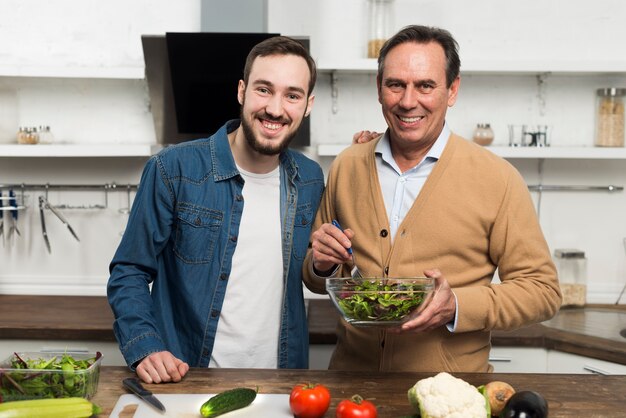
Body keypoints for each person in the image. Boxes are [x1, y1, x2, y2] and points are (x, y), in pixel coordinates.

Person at [302, 25, 561, 373]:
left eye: (425, 85)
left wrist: (456, 304)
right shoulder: (347, 164)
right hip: (352, 387)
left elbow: (542, 291)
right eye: (396, 84)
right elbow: (317, 275)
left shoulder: (497, 179)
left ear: (452, 90)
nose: (408, 101)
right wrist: (322, 263)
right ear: (379, 88)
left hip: (451, 394)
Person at [108, 36, 324, 383]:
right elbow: (129, 270)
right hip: (187, 378)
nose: (275, 108)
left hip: (281, 382)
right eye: (264, 90)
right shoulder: (173, 169)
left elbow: (317, 271)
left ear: (307, 104)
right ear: (242, 91)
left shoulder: (310, 179)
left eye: (292, 95)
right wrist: (145, 346)